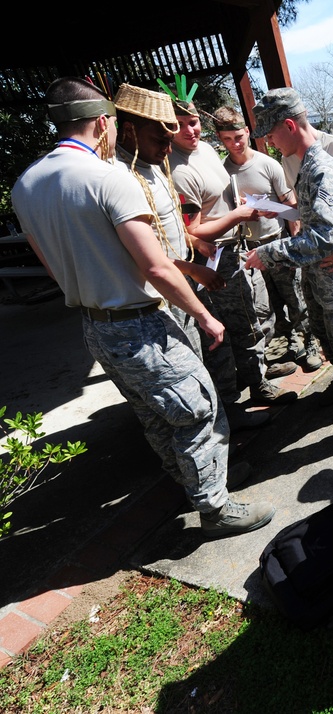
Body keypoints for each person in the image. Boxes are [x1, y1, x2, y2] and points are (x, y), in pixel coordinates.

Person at [12, 77, 274, 538]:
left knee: (153, 413)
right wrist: (203, 314)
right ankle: (215, 507)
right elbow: (156, 267)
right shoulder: (108, 178)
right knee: (197, 407)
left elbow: (53, 268)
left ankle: (189, 483)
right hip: (139, 322)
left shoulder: (25, 185)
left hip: (95, 326)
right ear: (103, 122)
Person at [112, 84, 269, 433]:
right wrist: (190, 262)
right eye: (164, 136)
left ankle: (234, 407)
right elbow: (153, 249)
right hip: (170, 283)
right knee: (206, 352)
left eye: (192, 123)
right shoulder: (120, 177)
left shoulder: (159, 163)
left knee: (228, 336)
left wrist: (192, 246)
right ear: (129, 131)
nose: (171, 145)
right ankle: (225, 417)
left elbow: (175, 227)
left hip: (192, 269)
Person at [245, 87, 333, 399]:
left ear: (288, 125)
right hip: (324, 280)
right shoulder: (306, 163)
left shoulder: (321, 168)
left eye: (270, 134)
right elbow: (313, 215)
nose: (268, 142)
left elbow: (325, 238)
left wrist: (268, 252)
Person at [165, 78, 297, 406]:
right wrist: (237, 216)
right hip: (217, 253)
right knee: (240, 322)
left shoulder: (206, 150)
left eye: (193, 122)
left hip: (239, 246)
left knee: (256, 313)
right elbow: (191, 229)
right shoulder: (178, 168)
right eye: (178, 125)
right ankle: (253, 386)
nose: (189, 131)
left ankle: (258, 371)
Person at [214, 105, 323, 373]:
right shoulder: (221, 172)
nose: (235, 144)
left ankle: (309, 340)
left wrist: (295, 239)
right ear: (219, 139)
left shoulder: (267, 164)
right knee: (265, 304)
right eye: (227, 139)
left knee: (295, 297)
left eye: (238, 137)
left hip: (277, 241)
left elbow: (290, 203)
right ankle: (284, 342)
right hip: (247, 247)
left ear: (248, 133)